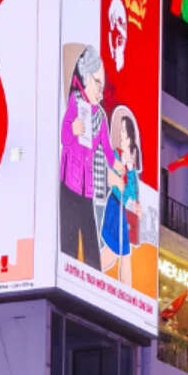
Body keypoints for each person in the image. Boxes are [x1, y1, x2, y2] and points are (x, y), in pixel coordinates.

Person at [59, 46, 114, 268]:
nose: (101, 90)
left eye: (103, 84)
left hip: (87, 186)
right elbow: (64, 136)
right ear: (86, 77)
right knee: (69, 235)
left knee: (90, 235)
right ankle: (66, 268)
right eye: (97, 82)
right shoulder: (75, 102)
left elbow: (108, 149)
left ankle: (93, 275)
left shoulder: (100, 116)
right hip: (69, 182)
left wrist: (120, 167)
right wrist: (72, 129)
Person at [99, 106, 142, 283]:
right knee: (121, 253)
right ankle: (126, 295)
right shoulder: (115, 155)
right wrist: (124, 170)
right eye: (122, 131)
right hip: (115, 206)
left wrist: (130, 168)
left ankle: (92, 270)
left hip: (124, 211)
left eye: (126, 132)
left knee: (116, 254)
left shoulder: (131, 162)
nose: (124, 136)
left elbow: (133, 191)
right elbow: (114, 182)